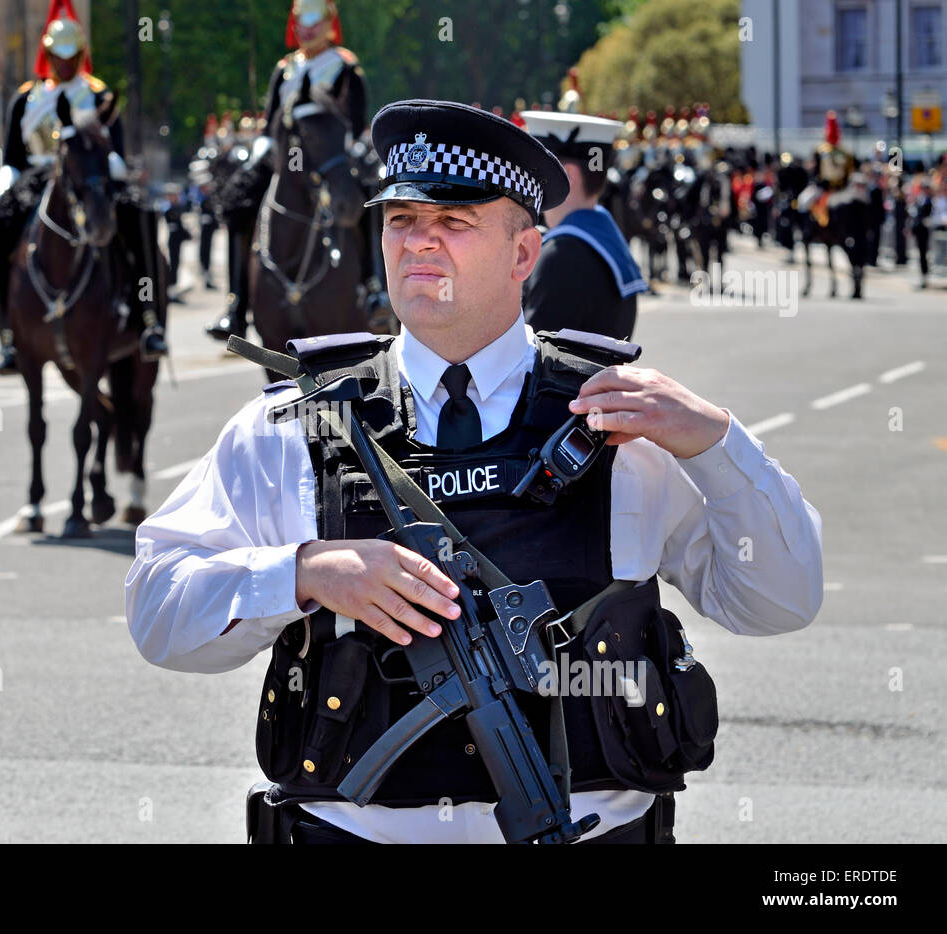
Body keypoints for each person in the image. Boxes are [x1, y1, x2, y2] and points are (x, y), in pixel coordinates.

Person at [125, 99, 824, 844]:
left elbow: (779, 601)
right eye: (401, 221)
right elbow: (157, 610)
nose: (420, 243)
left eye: (454, 223)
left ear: (525, 255)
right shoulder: (293, 428)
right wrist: (303, 573)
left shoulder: (621, 420)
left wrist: (718, 443)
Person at [0, 8, 168, 376]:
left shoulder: (98, 95)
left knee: (142, 219)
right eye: (58, 58)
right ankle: (7, 334)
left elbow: (116, 150)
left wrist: (110, 170)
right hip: (36, 180)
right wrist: (2, 184)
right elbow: (13, 155)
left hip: (92, 179)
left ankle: (149, 319)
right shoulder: (26, 99)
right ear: (48, 56)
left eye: (71, 58)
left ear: (80, 56)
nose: (64, 65)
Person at [205, 0, 378, 341]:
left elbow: (356, 117)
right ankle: (236, 305)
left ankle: (373, 288)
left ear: (329, 23)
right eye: (303, 20)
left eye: (315, 20)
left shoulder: (344, 65)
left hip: (332, 152)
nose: (308, 27)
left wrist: (344, 147)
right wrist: (261, 149)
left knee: (370, 197)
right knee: (239, 203)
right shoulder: (285, 67)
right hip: (287, 156)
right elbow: (270, 120)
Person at [520, 112, 647, 340]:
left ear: (567, 176)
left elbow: (533, 359)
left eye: (538, 170)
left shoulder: (562, 255)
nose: (531, 179)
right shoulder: (604, 234)